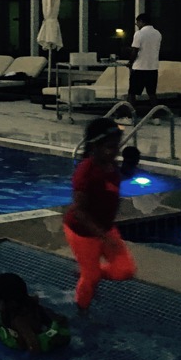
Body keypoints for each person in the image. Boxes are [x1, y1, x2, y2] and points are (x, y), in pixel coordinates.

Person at [64, 117, 137, 312]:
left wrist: (130, 167)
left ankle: (87, 271)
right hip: (82, 233)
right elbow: (79, 212)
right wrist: (103, 236)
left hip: (105, 228)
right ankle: (81, 310)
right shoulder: (85, 173)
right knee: (91, 278)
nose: (115, 151)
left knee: (125, 270)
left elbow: (115, 182)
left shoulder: (110, 164)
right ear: (95, 146)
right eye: (110, 147)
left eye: (117, 146)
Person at [0, 273, 70, 355]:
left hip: (29, 337)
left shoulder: (19, 320)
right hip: (41, 325)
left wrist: (29, 357)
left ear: (11, 303)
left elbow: (32, 344)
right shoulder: (30, 301)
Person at [128, 13, 161, 106]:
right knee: (152, 93)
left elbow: (135, 50)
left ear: (142, 22)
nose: (136, 24)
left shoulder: (139, 33)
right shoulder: (157, 33)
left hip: (140, 67)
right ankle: (155, 112)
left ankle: (130, 111)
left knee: (132, 92)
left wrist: (130, 62)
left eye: (137, 22)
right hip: (153, 67)